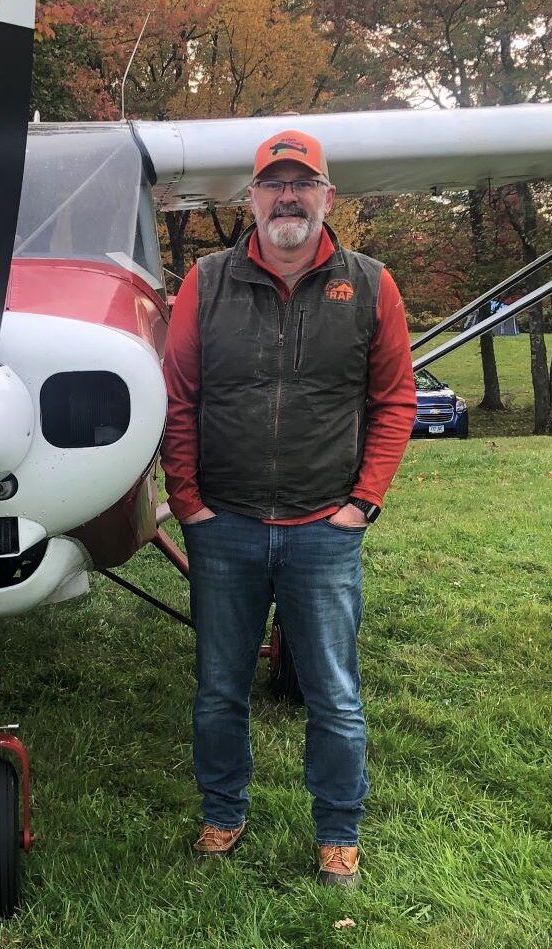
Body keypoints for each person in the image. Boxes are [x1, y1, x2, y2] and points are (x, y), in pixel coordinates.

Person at [161, 130, 416, 887]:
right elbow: (177, 398)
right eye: (273, 184)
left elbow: (393, 400)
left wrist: (362, 501)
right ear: (251, 200)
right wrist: (188, 502)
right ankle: (222, 811)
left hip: (322, 529)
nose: (287, 197)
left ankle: (338, 830)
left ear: (327, 198)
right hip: (225, 525)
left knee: (334, 693)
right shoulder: (204, 282)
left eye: (302, 184)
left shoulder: (371, 284)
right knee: (218, 687)